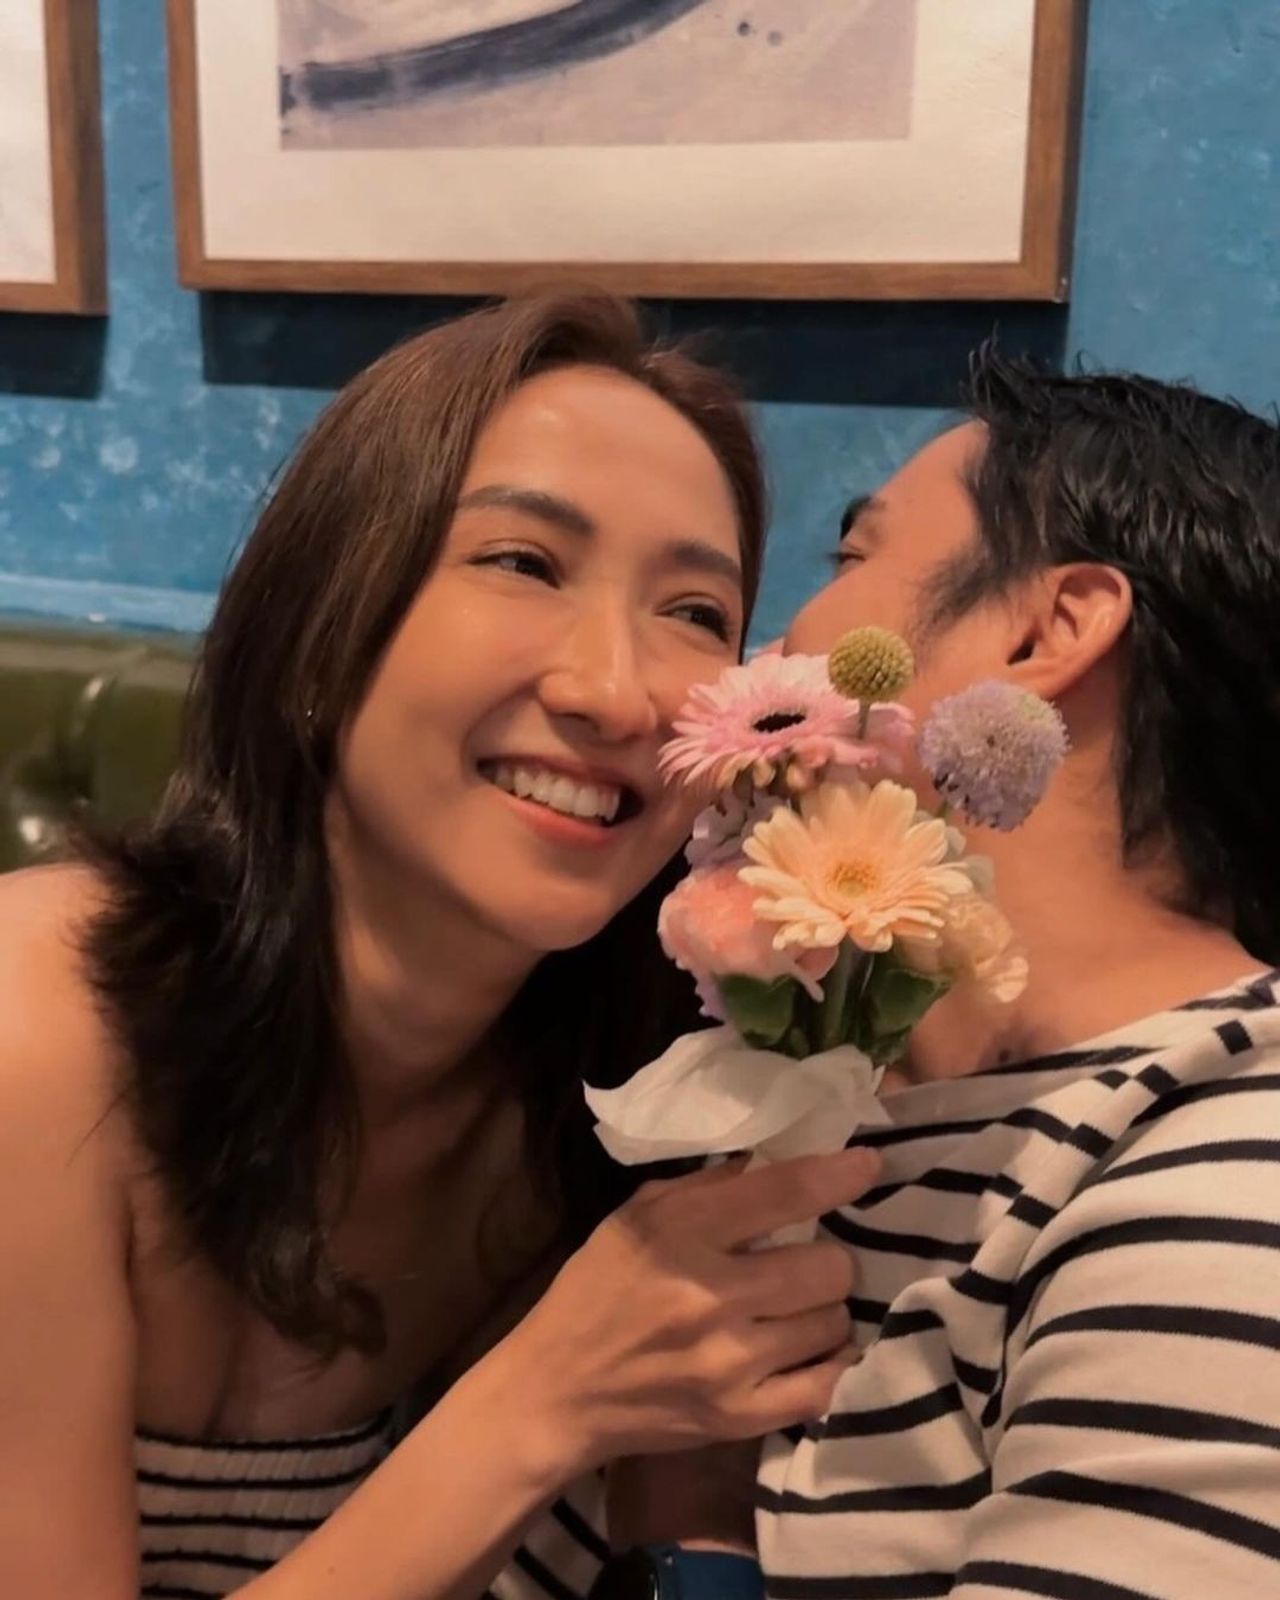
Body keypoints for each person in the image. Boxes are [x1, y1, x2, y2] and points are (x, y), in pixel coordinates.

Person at [0, 295, 883, 1600]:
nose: (616, 691)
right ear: (319, 633)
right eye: (523, 562)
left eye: (696, 612)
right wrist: (541, 1400)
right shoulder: (41, 1031)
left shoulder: (625, 1097)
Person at [751, 351, 1280, 1597]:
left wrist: (684, 1532)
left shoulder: (1230, 1188)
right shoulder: (820, 1108)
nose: (776, 642)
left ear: (1047, 629)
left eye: (848, 558)